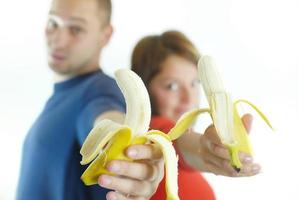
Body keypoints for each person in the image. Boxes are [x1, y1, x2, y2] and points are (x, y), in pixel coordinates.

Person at [16, 0, 164, 199]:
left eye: (76, 29)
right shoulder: (60, 97)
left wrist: (124, 147)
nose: (58, 40)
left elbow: (105, 117)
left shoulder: (98, 90)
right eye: (53, 22)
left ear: (105, 35)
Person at [131, 30, 261, 199]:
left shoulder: (191, 175)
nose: (188, 98)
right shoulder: (150, 138)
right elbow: (173, 140)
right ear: (144, 89)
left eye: (194, 83)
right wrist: (204, 148)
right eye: (172, 86)